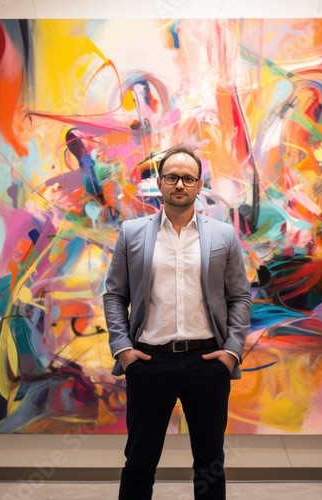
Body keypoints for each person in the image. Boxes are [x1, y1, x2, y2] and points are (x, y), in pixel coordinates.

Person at [103, 143, 252, 499]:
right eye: (172, 177)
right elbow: (114, 295)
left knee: (209, 465)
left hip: (208, 363)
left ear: (199, 185)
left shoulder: (223, 236)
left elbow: (240, 297)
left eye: (188, 178)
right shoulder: (132, 233)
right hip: (149, 361)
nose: (180, 184)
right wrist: (123, 349)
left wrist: (231, 352)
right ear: (160, 182)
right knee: (139, 461)